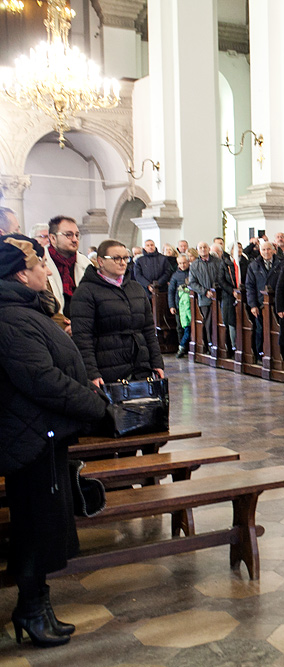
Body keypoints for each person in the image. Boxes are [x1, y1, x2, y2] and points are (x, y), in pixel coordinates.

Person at [0, 235, 112, 648]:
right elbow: (43, 380)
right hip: (28, 441)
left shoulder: (22, 310)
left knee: (44, 527)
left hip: (41, 436)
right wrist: (96, 406)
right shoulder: (10, 318)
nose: (47, 271)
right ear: (19, 273)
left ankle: (38, 606)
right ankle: (31, 609)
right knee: (35, 529)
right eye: (39, 267)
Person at [70, 239, 165, 386]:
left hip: (139, 365)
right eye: (116, 258)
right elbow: (83, 337)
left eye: (125, 258)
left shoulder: (136, 288)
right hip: (107, 368)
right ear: (100, 261)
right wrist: (91, 372)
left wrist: (156, 362)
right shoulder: (86, 291)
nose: (122, 262)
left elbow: (148, 330)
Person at [187, 241, 233, 353]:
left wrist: (217, 288)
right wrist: (205, 291)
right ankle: (210, 345)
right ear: (197, 250)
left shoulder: (218, 262)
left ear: (209, 249)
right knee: (208, 322)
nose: (203, 249)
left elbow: (222, 277)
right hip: (205, 299)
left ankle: (223, 346)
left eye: (205, 247)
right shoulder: (194, 265)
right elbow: (192, 283)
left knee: (222, 321)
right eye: (201, 248)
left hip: (220, 297)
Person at [44, 216, 90, 315]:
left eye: (77, 235)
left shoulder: (87, 264)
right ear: (52, 238)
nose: (74, 239)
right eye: (68, 235)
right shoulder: (40, 264)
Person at [245, 241, 282, 362]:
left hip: (276, 303)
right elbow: (249, 286)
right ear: (260, 251)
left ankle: (277, 355)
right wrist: (253, 305)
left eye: (268, 249)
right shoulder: (253, 265)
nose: (266, 252)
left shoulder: (281, 264)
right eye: (264, 250)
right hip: (260, 304)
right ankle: (260, 353)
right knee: (260, 330)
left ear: (273, 250)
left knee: (277, 329)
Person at [168, 252, 192, 358]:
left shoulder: (192, 272)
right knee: (180, 327)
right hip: (180, 305)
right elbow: (171, 291)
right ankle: (182, 346)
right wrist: (172, 306)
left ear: (188, 262)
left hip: (191, 304)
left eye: (184, 263)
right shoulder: (175, 275)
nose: (182, 265)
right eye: (180, 263)